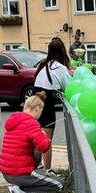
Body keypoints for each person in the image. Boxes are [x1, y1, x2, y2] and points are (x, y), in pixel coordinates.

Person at [0, 92, 63, 193]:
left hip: (6, 172)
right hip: (20, 173)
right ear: (37, 109)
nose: (41, 114)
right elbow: (44, 147)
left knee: (33, 147)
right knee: (59, 185)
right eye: (41, 111)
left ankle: (19, 187)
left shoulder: (15, 120)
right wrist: (45, 137)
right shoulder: (31, 123)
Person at [32, 37, 71, 173]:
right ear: (62, 51)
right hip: (47, 103)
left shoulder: (43, 64)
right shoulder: (60, 68)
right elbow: (69, 87)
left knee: (36, 138)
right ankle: (47, 170)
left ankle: (36, 166)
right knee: (46, 141)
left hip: (35, 101)